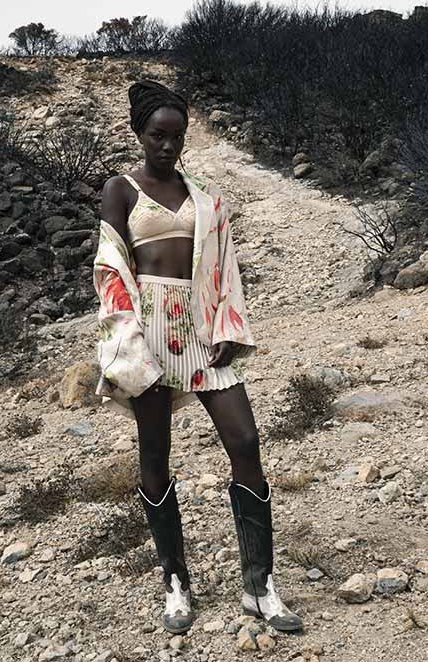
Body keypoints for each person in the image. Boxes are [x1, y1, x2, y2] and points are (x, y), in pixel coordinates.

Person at [92, 79, 303, 635]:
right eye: (157, 135)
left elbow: (225, 265)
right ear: (139, 133)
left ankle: (259, 586)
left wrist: (230, 324)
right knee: (155, 457)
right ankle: (175, 583)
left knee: (245, 440)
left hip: (201, 331)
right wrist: (128, 343)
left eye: (177, 136)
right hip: (148, 332)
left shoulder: (205, 197)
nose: (167, 146)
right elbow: (110, 268)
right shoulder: (120, 190)